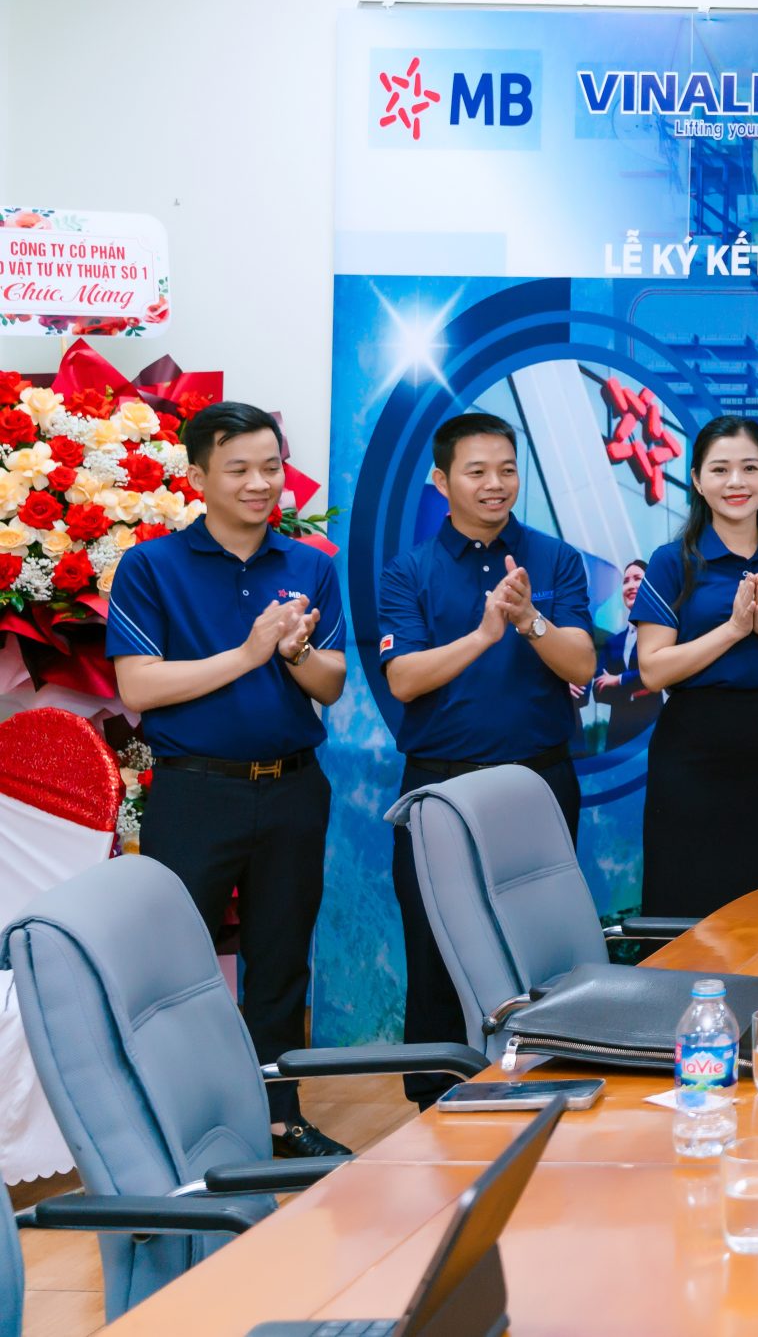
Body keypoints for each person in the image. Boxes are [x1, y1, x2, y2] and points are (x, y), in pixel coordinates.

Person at [104, 402, 349, 1156]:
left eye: (271, 467)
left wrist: (294, 652)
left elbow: (332, 683)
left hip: (293, 788)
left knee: (281, 962)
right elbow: (139, 686)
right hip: (194, 792)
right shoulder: (151, 566)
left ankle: (278, 1118)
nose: (259, 483)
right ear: (197, 475)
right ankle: (176, 1129)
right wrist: (248, 653)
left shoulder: (311, 565)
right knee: (175, 967)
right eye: (238, 468)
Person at [376, 412, 597, 1105]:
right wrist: (482, 634)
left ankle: (548, 1088)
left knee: (541, 943)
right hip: (440, 791)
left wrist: (529, 619)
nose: (495, 484)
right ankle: (434, 1102)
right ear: (442, 481)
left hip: (537, 784)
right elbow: (403, 679)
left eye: (506, 469)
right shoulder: (409, 571)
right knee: (434, 949)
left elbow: (582, 664)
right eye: (477, 471)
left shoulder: (553, 559)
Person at [632, 416, 758, 915]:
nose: (736, 482)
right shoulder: (671, 561)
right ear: (697, 480)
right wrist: (734, 629)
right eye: (720, 469)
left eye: (750, 468)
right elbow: (652, 670)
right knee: (681, 893)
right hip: (689, 746)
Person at [592, 558, 661, 747]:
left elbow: (658, 673)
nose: (630, 585)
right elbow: (598, 691)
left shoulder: (662, 633)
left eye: (637, 578)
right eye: (625, 581)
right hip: (618, 734)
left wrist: (619, 680)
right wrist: (637, 687)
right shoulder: (612, 642)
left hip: (652, 730)